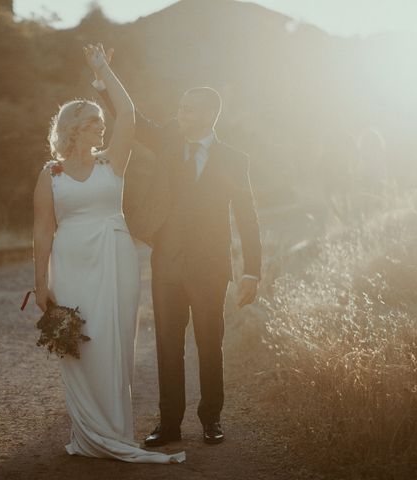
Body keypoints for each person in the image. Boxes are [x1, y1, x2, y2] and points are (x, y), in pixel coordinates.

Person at [92, 45, 262, 446]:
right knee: (168, 346)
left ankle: (211, 419)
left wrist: (252, 271)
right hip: (166, 264)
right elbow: (130, 118)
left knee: (209, 345)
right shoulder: (167, 138)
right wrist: (103, 80)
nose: (180, 115)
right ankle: (168, 425)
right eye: (181, 108)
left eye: (188, 110)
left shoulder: (235, 160)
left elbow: (248, 217)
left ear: (207, 115)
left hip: (211, 268)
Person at [32, 44, 185, 464]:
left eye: (102, 123)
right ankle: (88, 431)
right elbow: (43, 229)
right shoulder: (50, 174)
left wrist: (102, 71)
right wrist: (41, 283)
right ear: (74, 129)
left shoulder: (112, 162)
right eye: (95, 124)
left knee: (113, 342)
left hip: (116, 257)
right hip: (71, 264)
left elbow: (130, 115)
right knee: (80, 343)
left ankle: (115, 431)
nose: (103, 128)